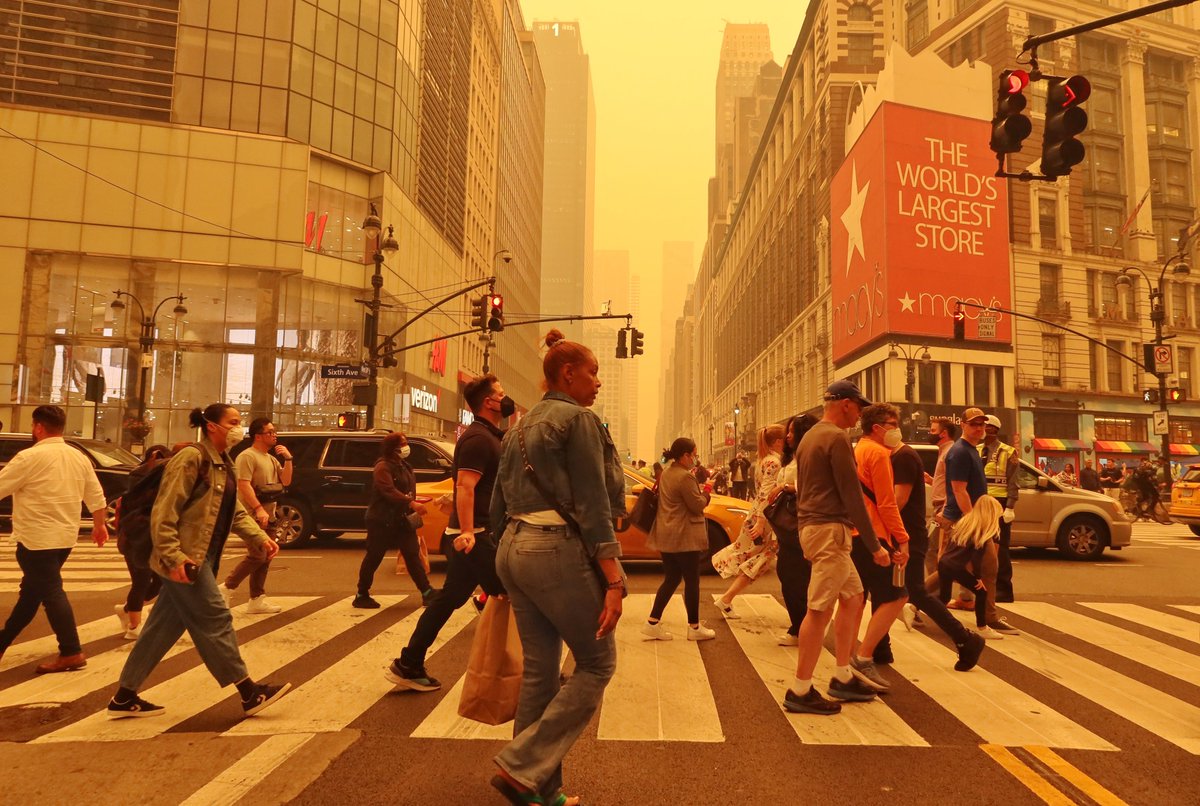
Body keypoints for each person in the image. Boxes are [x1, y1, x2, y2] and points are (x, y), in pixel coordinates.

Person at [488, 329, 625, 806]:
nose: (598, 382)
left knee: (540, 674)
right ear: (568, 374)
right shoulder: (578, 420)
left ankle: (541, 790)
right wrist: (614, 579)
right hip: (555, 551)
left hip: (513, 549)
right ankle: (522, 767)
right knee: (597, 663)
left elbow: (496, 504)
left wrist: (497, 572)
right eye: (593, 372)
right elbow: (593, 504)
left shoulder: (518, 427)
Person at [107, 404, 289, 718]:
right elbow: (165, 512)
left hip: (198, 557)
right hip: (185, 559)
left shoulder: (225, 462)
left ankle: (124, 696)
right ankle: (249, 692)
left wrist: (259, 537)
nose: (239, 427)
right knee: (216, 617)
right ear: (212, 426)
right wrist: (173, 556)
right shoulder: (191, 458)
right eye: (233, 422)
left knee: (160, 629)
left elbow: (231, 512)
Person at [388, 375, 510, 690]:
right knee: (517, 594)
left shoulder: (490, 436)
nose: (504, 397)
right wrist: (468, 532)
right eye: (500, 393)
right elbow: (465, 486)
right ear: (488, 401)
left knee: (449, 598)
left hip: (475, 533)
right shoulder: (477, 439)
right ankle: (539, 674)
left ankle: (409, 663)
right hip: (476, 535)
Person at [783, 380, 888, 715]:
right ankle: (800, 689)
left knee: (854, 597)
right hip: (830, 530)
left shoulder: (810, 436)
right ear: (845, 403)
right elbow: (851, 495)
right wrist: (874, 546)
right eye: (858, 407)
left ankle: (842, 674)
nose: (859, 414)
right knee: (819, 610)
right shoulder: (837, 437)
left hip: (817, 528)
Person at [0, 405, 108, 672]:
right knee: (32, 594)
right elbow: (96, 495)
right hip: (65, 538)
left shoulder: (28, 458)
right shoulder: (78, 456)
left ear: (38, 427)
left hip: (36, 538)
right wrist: (99, 526)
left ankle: (71, 651)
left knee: (50, 592)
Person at [892, 435, 986, 672]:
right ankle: (878, 649)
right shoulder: (960, 451)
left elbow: (898, 501)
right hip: (911, 530)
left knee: (919, 588)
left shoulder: (907, 455)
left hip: (910, 532)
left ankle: (966, 636)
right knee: (905, 590)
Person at [924, 408, 1006, 641]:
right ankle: (986, 620)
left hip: (967, 519)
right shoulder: (960, 452)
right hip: (963, 519)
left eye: (982, 425)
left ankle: (988, 617)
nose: (979, 429)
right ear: (962, 425)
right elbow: (959, 490)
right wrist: (974, 520)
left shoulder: (970, 450)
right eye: (974, 425)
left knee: (962, 567)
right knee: (971, 566)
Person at [849, 403, 910, 689]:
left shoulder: (857, 449)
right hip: (875, 534)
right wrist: (903, 539)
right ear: (877, 427)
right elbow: (887, 502)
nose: (897, 429)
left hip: (855, 533)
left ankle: (847, 661)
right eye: (893, 423)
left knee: (856, 600)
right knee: (896, 596)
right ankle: (862, 658)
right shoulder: (878, 454)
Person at [642, 437, 716, 642]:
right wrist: (707, 490)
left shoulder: (667, 473)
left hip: (667, 533)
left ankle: (652, 623)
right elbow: (697, 505)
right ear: (685, 455)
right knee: (692, 580)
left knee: (672, 578)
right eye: (694, 454)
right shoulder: (685, 477)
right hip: (684, 535)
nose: (695, 458)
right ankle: (694, 626)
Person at [711, 424, 785, 617]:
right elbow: (764, 492)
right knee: (758, 559)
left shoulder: (764, 460)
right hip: (765, 517)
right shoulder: (774, 462)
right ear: (778, 442)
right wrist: (761, 521)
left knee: (756, 557)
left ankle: (726, 598)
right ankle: (726, 597)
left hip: (760, 515)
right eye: (785, 439)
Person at [220, 418, 292, 614]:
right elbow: (244, 484)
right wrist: (258, 509)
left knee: (266, 556)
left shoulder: (270, 458)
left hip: (269, 514)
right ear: (258, 436)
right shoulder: (247, 456)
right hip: (252, 515)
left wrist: (288, 459)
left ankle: (257, 598)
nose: (274, 434)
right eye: (270, 432)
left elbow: (285, 480)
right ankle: (226, 588)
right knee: (258, 555)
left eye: (274, 431)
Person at [354, 432, 431, 609]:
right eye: (403, 443)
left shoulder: (404, 465)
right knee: (374, 556)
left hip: (402, 519)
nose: (406, 446)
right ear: (393, 447)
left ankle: (427, 592)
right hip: (381, 520)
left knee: (412, 554)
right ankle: (361, 594)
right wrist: (411, 502)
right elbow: (388, 490)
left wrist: (413, 503)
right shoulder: (382, 467)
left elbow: (407, 489)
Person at [114, 444, 170, 640]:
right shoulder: (142, 481)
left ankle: (128, 609)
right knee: (141, 580)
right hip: (135, 537)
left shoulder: (155, 482)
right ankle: (134, 627)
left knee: (160, 581)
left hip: (150, 537)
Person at [771, 413, 818, 646]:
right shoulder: (791, 458)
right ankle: (801, 625)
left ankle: (801, 628)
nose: (787, 436)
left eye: (791, 432)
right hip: (787, 526)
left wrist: (786, 487)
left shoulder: (809, 455)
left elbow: (813, 484)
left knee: (796, 577)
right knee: (788, 576)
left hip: (802, 523)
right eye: (786, 432)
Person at [980, 415, 1021, 618]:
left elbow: (1013, 480)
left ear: (995, 430)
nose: (984, 431)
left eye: (988, 428)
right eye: (982, 427)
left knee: (1001, 548)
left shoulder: (1008, 451)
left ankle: (1004, 590)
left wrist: (1011, 506)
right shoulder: (977, 449)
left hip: (1000, 505)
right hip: (981, 504)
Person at [926, 418, 958, 579]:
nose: (930, 434)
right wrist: (931, 481)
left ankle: (935, 590)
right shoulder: (945, 451)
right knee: (941, 551)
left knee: (935, 550)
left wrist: (945, 508)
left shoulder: (950, 453)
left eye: (933, 431)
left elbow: (954, 486)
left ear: (943, 433)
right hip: (942, 508)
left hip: (943, 510)